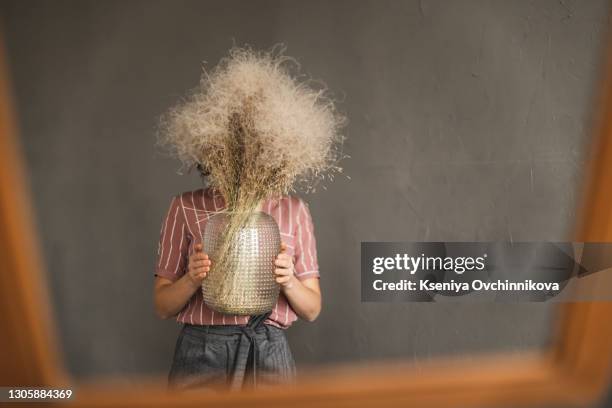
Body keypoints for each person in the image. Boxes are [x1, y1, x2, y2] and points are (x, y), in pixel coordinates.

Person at [153, 185, 322, 390]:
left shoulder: (293, 209)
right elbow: (163, 306)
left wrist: (288, 280)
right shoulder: (185, 205)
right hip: (203, 350)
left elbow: (312, 309)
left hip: (268, 351)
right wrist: (192, 279)